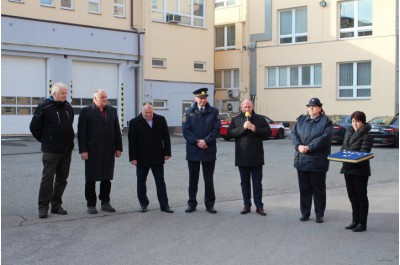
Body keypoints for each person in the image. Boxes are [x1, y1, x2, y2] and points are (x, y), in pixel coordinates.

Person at [30, 82, 75, 219]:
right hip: (51, 151)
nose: (65, 95)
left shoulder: (68, 107)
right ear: (54, 94)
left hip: (66, 150)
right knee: (47, 179)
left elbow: (70, 125)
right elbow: (34, 128)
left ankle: (56, 205)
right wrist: (46, 140)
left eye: (66, 93)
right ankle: (43, 207)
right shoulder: (44, 107)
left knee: (62, 179)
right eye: (62, 93)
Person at [78, 89, 123, 214]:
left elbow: (116, 130)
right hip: (92, 150)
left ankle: (105, 202)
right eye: (102, 97)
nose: (105, 99)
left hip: (109, 150)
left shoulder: (112, 110)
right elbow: (82, 133)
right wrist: (83, 150)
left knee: (106, 177)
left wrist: (118, 148)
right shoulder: (86, 112)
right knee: (91, 178)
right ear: (95, 99)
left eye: (106, 97)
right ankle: (91, 204)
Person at [291, 97, 333, 223]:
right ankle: (305, 213)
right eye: (309, 106)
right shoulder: (302, 120)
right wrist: (298, 146)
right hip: (302, 160)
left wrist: (309, 147)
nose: (311, 108)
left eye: (314, 106)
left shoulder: (326, 122)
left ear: (320, 108)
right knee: (304, 189)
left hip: (317, 161)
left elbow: (324, 138)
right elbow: (293, 134)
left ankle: (319, 214)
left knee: (318, 189)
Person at [227, 99, 271, 216]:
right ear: (241, 108)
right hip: (242, 156)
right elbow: (229, 134)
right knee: (244, 182)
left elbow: (268, 132)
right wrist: (243, 128)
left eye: (249, 107)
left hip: (257, 156)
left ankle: (259, 206)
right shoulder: (236, 119)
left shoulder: (260, 119)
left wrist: (255, 129)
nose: (247, 109)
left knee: (257, 183)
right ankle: (247, 204)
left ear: (252, 107)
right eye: (245, 107)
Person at [128, 102, 173, 213]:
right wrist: (132, 158)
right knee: (141, 182)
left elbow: (166, 138)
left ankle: (164, 205)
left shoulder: (161, 119)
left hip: (157, 157)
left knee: (160, 181)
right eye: (146, 112)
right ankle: (143, 204)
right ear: (142, 111)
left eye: (151, 112)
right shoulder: (134, 122)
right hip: (141, 158)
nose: (149, 115)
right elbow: (132, 142)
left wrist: (167, 152)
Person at [182, 88, 221, 214]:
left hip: (208, 149)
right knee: (193, 178)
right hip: (193, 150)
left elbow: (216, 129)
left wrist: (206, 141)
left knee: (208, 179)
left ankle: (210, 205)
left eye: (205, 97)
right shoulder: (188, 112)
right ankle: (192, 203)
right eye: (200, 97)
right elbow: (186, 130)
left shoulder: (214, 111)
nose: (203, 100)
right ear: (195, 98)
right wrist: (197, 142)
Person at [340, 111, 373, 232]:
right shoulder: (348, 132)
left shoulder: (367, 136)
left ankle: (362, 223)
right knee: (352, 197)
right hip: (347, 169)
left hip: (360, 170)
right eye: (353, 121)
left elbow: (363, 152)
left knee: (361, 197)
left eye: (358, 122)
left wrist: (350, 155)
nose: (355, 124)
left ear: (363, 122)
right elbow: (343, 147)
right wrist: (343, 155)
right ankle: (355, 220)